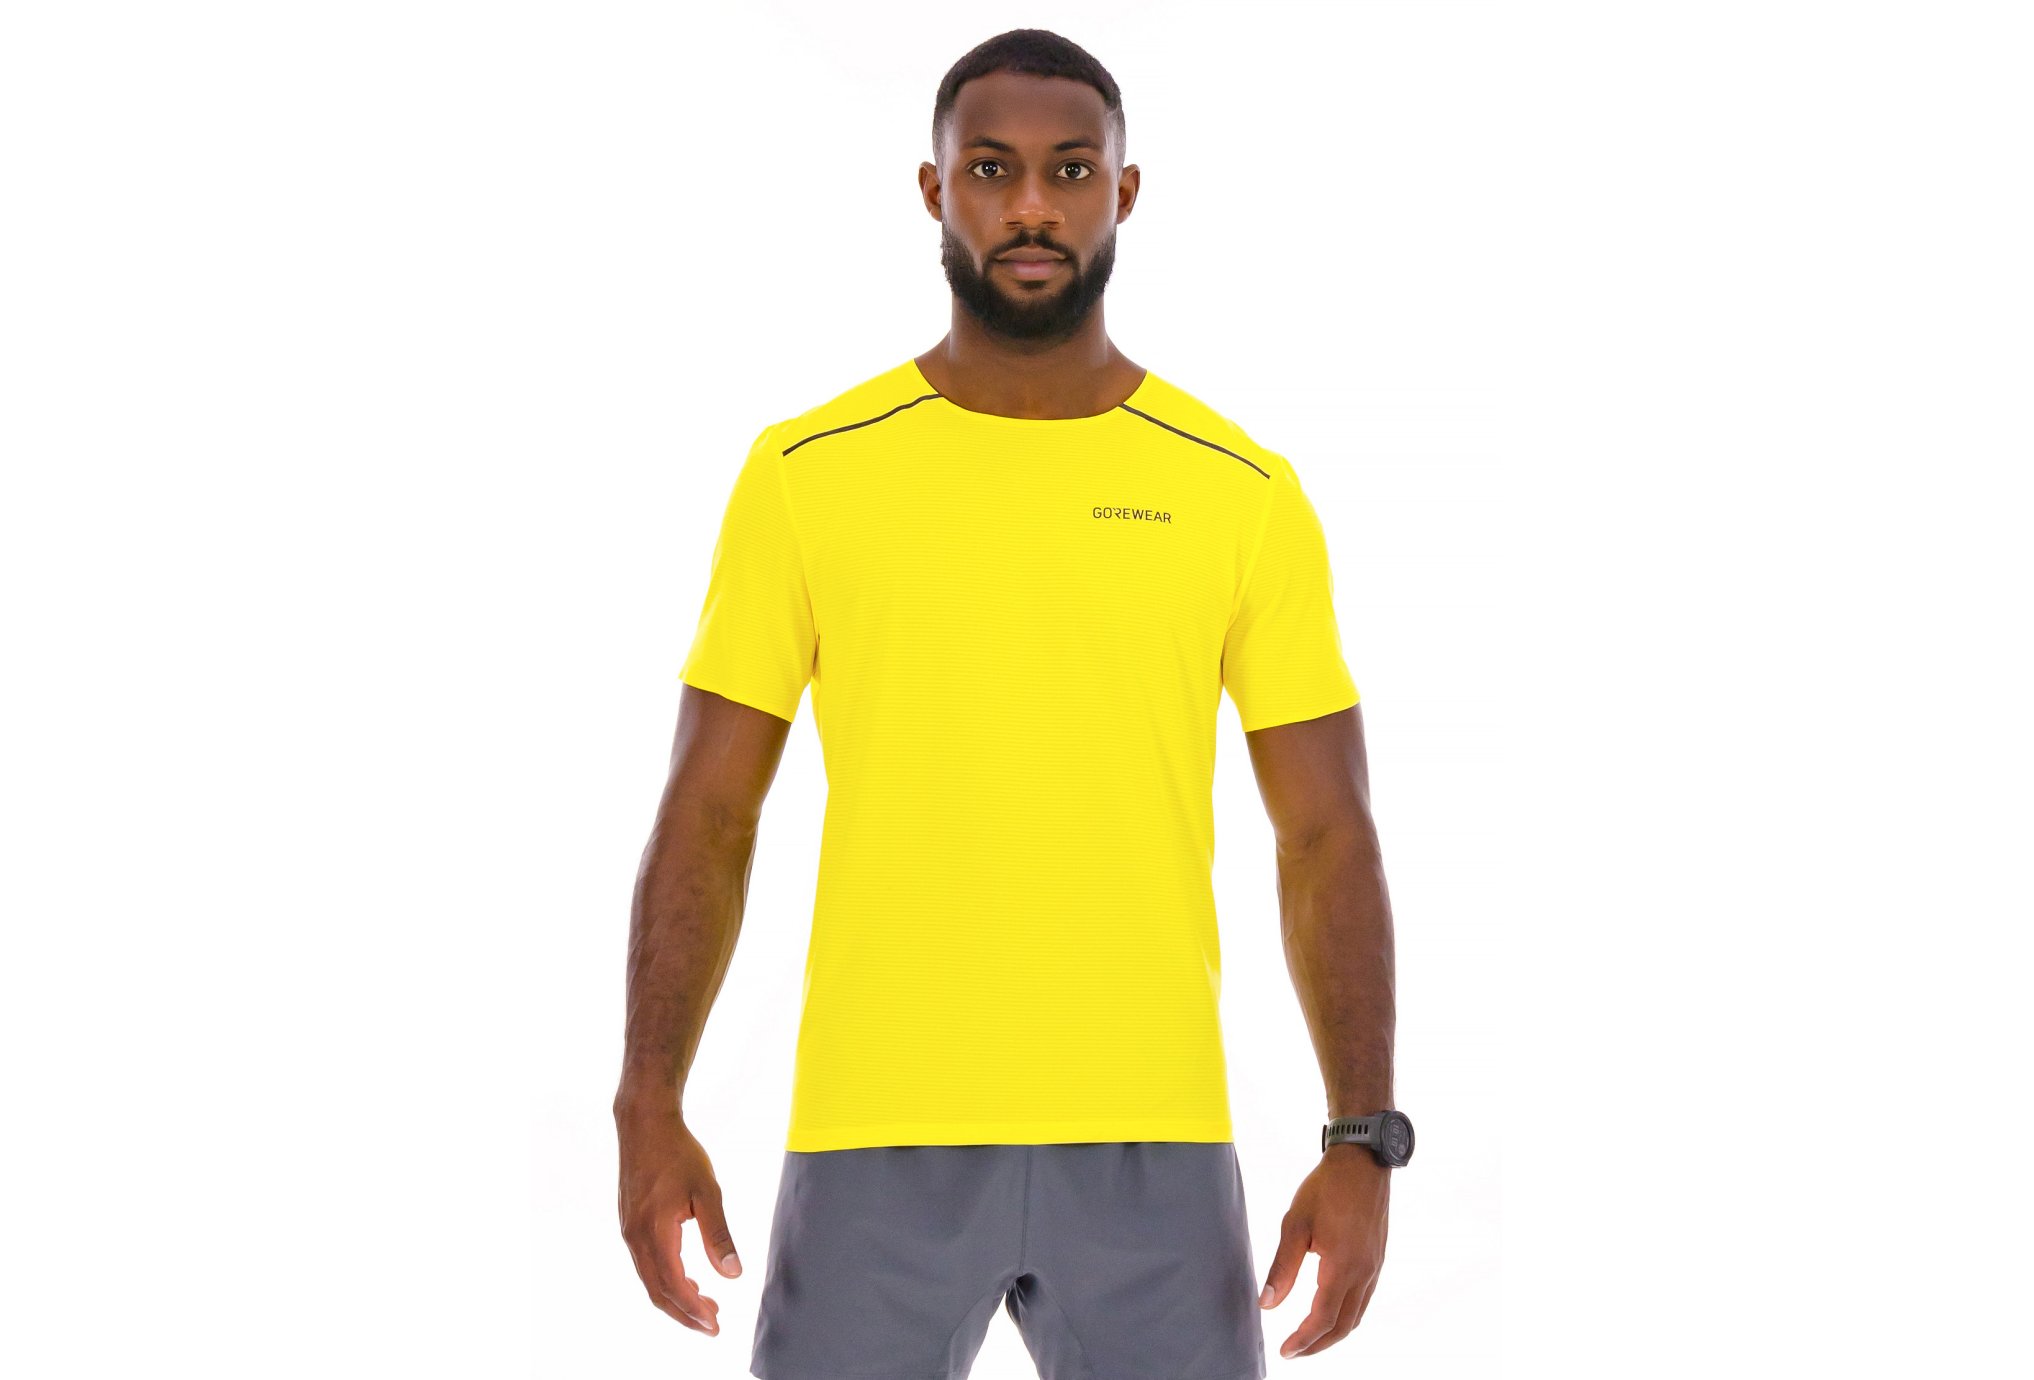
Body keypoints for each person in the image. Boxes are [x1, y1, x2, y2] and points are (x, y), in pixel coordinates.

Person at [615, 28, 1405, 1380]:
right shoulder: (808, 473)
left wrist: (1361, 1138)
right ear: (935, 190)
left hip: (1151, 1138)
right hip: (876, 1127)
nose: (1031, 205)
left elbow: (1326, 833)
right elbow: (711, 810)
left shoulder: (1239, 492)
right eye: (990, 169)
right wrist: (649, 1101)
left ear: (1123, 192)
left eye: (1069, 170)